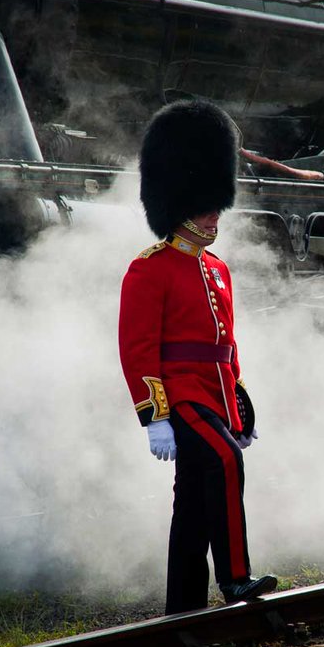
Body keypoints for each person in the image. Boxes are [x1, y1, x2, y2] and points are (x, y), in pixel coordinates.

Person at [118, 100, 276, 615]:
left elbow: (226, 343)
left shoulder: (218, 269)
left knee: (190, 501)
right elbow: (137, 347)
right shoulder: (149, 269)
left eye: (215, 204)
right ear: (180, 204)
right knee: (226, 461)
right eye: (206, 205)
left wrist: (240, 399)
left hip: (212, 391)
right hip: (180, 392)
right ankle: (234, 577)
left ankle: (182, 605)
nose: (215, 214)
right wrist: (152, 415)